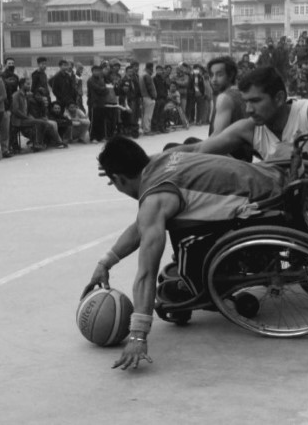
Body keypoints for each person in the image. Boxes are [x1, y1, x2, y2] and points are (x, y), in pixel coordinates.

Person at [83, 136, 286, 370]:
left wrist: (138, 335)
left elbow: (146, 273)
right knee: (177, 217)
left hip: (265, 207)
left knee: (184, 240)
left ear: (117, 178)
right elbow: (142, 224)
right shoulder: (163, 159)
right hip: (273, 181)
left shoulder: (155, 199)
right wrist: (106, 262)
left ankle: (204, 287)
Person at [178, 66, 308, 204]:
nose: (249, 110)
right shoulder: (249, 128)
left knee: (300, 146)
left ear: (279, 98)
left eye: (256, 101)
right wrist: (156, 160)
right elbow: (199, 148)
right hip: (288, 203)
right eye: (246, 102)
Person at [207, 56, 246, 138]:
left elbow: (217, 137)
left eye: (219, 75)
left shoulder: (224, 97)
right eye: (211, 75)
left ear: (231, 75)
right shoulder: (242, 92)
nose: (214, 79)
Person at [140, 63, 157, 134]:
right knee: (148, 115)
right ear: (149, 68)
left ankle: (144, 128)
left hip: (143, 97)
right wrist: (153, 96)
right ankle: (147, 130)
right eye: (152, 69)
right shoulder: (147, 76)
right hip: (148, 97)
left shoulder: (141, 75)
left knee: (144, 114)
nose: (152, 70)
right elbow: (150, 88)